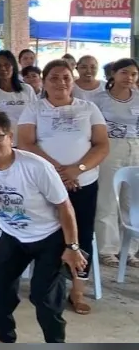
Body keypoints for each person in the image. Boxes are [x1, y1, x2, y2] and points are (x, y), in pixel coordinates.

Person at [0, 112, 87, 343]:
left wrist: (72, 247)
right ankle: (5, 340)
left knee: (44, 297)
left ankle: (56, 344)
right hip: (13, 235)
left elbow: (64, 207)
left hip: (50, 236)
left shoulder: (36, 166)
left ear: (10, 136)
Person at [17, 59, 108, 315]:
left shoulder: (88, 108)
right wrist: (58, 171)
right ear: (44, 82)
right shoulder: (34, 108)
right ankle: (45, 286)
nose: (61, 82)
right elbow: (26, 143)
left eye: (66, 77)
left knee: (82, 235)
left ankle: (77, 291)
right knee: (46, 234)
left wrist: (76, 170)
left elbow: (101, 145)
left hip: (83, 183)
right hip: (45, 184)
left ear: (73, 79)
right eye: (54, 78)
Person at [94, 58, 139, 268]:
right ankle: (107, 249)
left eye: (133, 74)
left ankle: (129, 250)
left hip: (136, 148)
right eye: (124, 73)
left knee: (132, 201)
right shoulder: (100, 99)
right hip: (109, 148)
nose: (128, 78)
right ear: (114, 73)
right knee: (108, 198)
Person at [0, 50, 38, 145]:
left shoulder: (27, 89)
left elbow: (36, 117)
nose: (3, 68)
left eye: (7, 65)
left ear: (13, 66)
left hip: (25, 144)